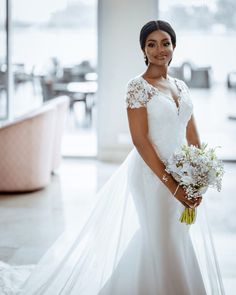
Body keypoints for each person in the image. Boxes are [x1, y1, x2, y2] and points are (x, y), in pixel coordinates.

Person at [1, 20, 225, 295]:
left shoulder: (181, 85)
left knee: (169, 240)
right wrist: (173, 186)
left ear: (174, 46)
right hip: (151, 176)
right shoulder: (137, 86)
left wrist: (198, 179)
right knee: (163, 239)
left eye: (165, 43)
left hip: (184, 175)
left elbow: (193, 135)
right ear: (143, 49)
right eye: (151, 44)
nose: (159, 50)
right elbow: (140, 141)